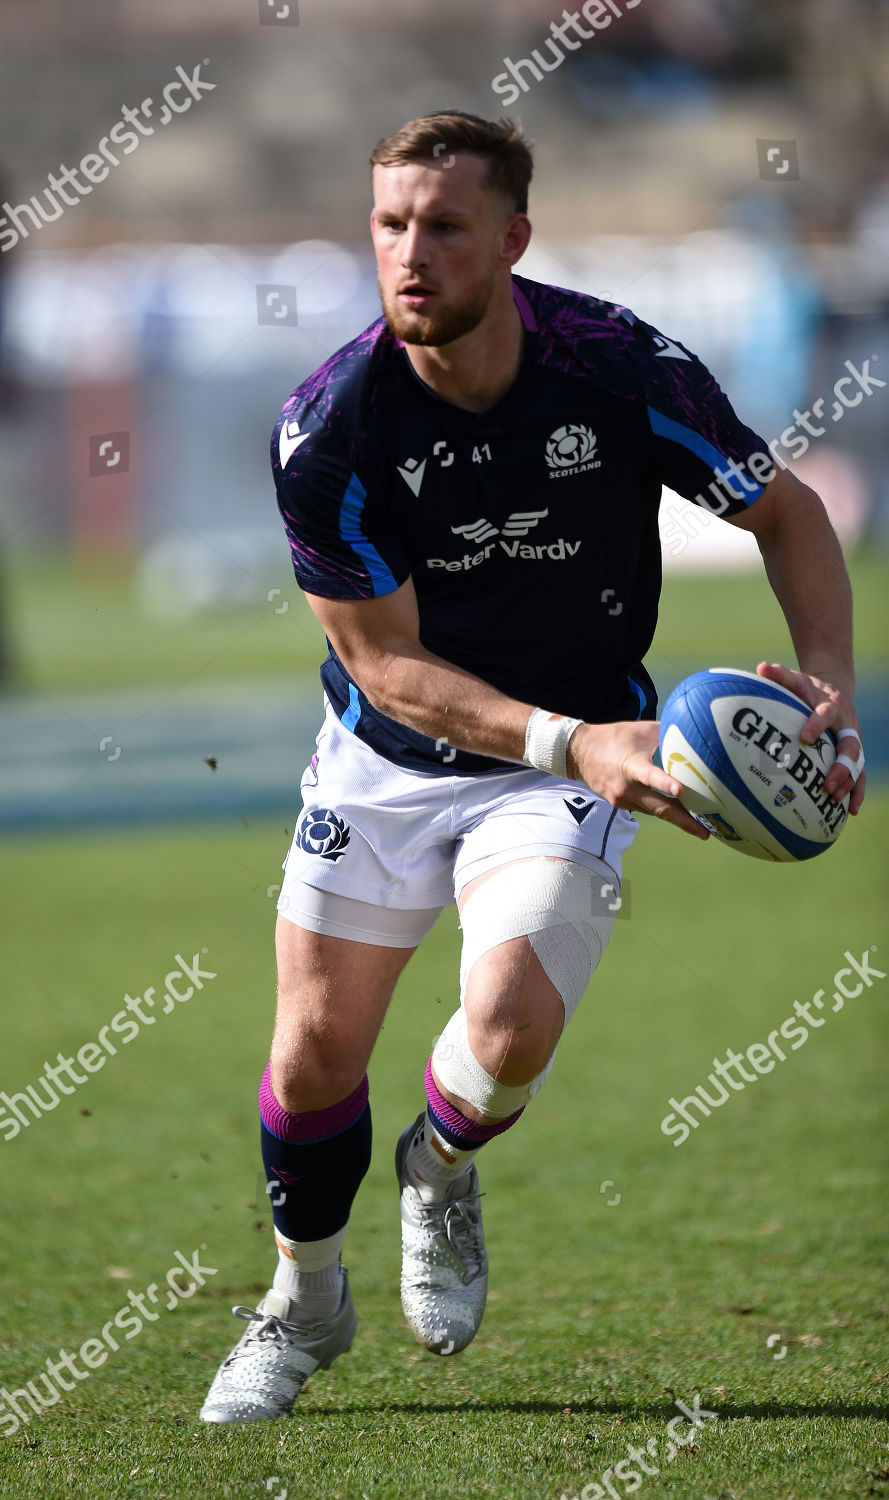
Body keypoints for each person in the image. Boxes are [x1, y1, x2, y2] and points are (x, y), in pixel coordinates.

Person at [199, 111, 866, 1424]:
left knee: (504, 1025)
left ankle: (438, 1173)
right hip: (392, 760)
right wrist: (578, 740)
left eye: (443, 226)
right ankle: (304, 1297)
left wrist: (828, 680)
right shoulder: (328, 427)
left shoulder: (613, 366)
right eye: (390, 224)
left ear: (510, 238)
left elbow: (780, 511)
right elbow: (386, 671)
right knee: (315, 1054)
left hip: (565, 762)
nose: (409, 253)